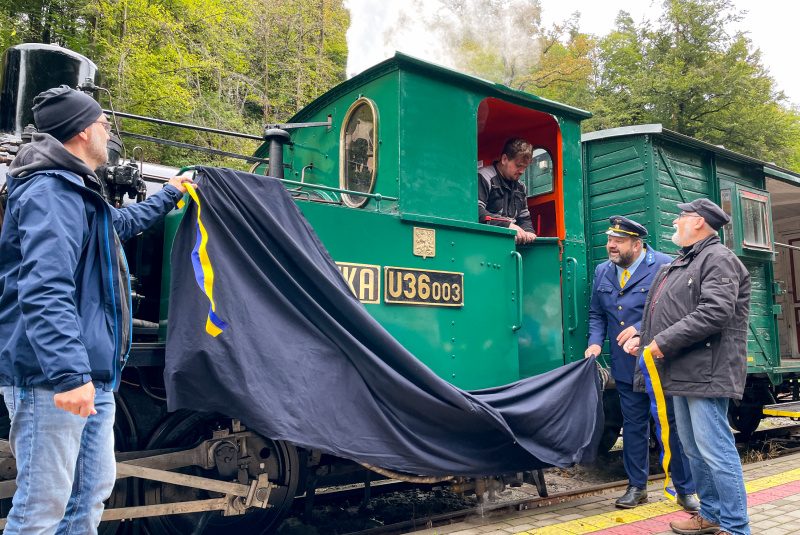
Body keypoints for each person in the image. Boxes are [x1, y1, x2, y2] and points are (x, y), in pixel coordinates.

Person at [0, 85, 193, 534]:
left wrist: (168, 195)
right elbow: (45, 289)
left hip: (90, 376)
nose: (109, 132)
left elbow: (116, 225)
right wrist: (70, 375)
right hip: (53, 379)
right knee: (43, 506)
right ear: (84, 131)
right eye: (104, 124)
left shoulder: (75, 190)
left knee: (90, 493)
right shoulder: (50, 191)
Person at [625, 199, 751, 535]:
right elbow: (671, 313)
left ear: (698, 222)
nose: (675, 222)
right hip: (681, 369)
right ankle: (710, 516)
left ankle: (736, 527)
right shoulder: (683, 262)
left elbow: (715, 312)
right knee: (694, 449)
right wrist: (644, 336)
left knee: (716, 451)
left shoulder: (719, 259)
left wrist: (662, 343)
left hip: (707, 371)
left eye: (681, 217)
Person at [586, 216, 698, 511]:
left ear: (637, 245)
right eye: (609, 240)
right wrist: (595, 342)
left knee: (671, 427)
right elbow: (597, 313)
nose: (610, 246)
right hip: (625, 365)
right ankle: (637, 487)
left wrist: (640, 328)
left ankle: (685, 489)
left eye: (618, 241)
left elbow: (679, 312)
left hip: (661, 362)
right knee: (633, 427)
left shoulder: (664, 265)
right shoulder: (602, 271)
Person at [478, 137, 537, 244]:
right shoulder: (484, 177)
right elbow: (477, 211)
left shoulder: (521, 187)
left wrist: (528, 232)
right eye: (518, 166)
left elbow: (524, 218)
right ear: (504, 159)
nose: (522, 171)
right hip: (486, 241)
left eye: (525, 167)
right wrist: (507, 226)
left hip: (511, 243)